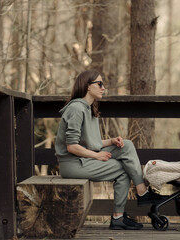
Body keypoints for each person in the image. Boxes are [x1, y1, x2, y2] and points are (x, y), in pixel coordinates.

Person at [55, 69, 164, 230]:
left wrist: (111, 141)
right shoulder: (77, 109)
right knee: (122, 170)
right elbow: (71, 147)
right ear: (87, 86)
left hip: (83, 158)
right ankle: (118, 217)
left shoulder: (88, 108)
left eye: (103, 84)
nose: (103, 87)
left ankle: (141, 191)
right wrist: (97, 156)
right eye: (99, 84)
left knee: (126, 144)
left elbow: (92, 143)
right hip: (73, 164)